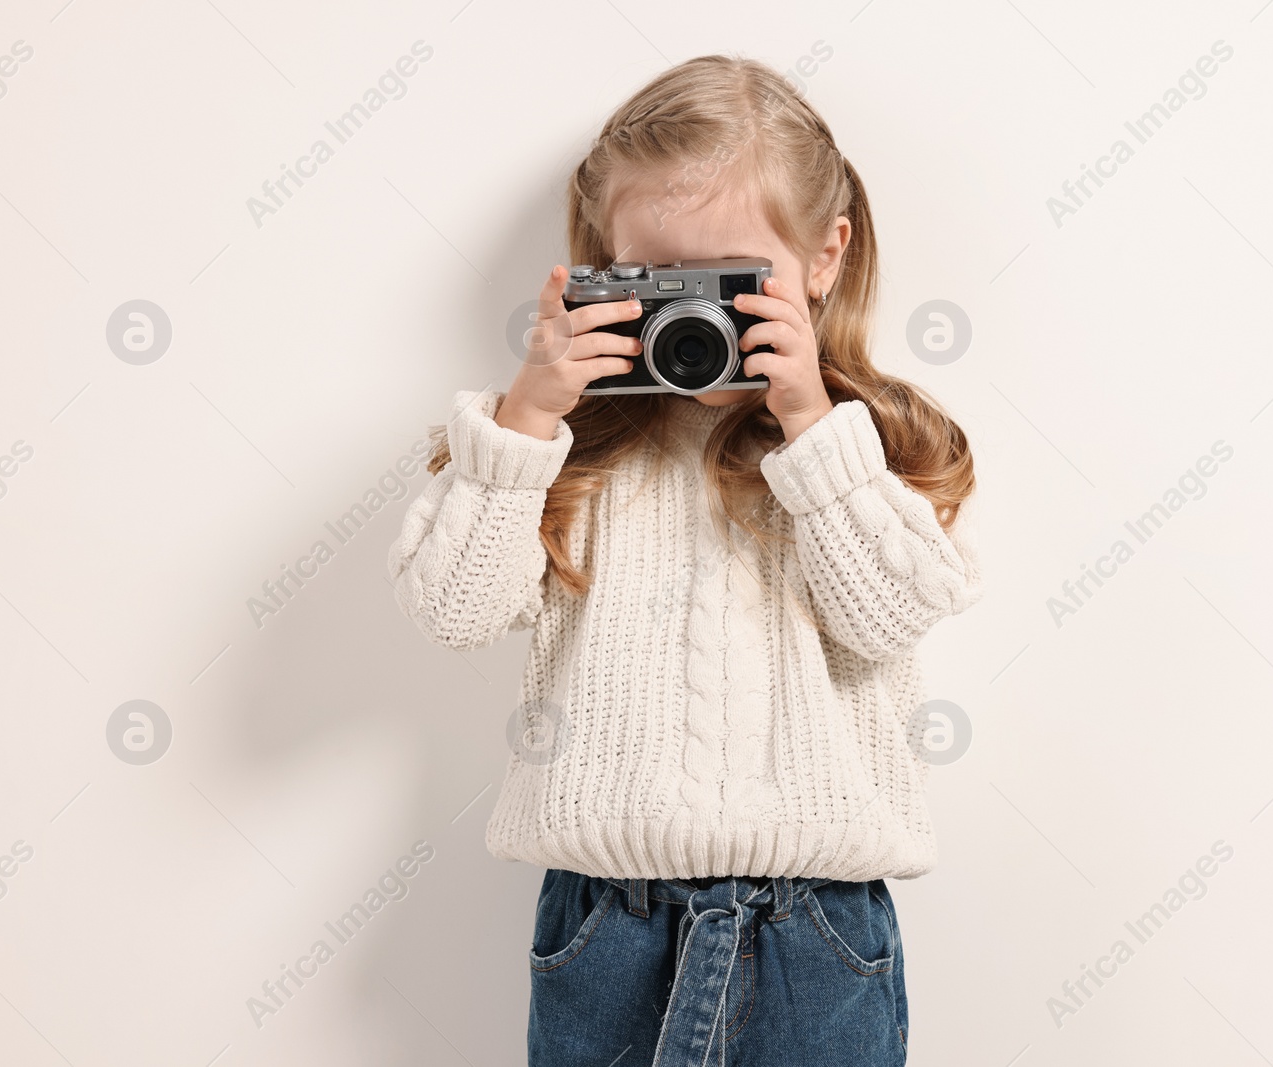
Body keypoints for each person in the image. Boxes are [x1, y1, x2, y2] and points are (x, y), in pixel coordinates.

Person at [387, 53, 985, 1067]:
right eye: (660, 282)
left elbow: (886, 619)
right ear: (599, 270)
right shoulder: (567, 455)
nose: (697, 321)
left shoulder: (868, 447)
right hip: (602, 934)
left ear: (822, 259)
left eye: (731, 286)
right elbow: (451, 609)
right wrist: (526, 416)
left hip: (817, 936)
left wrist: (809, 418)